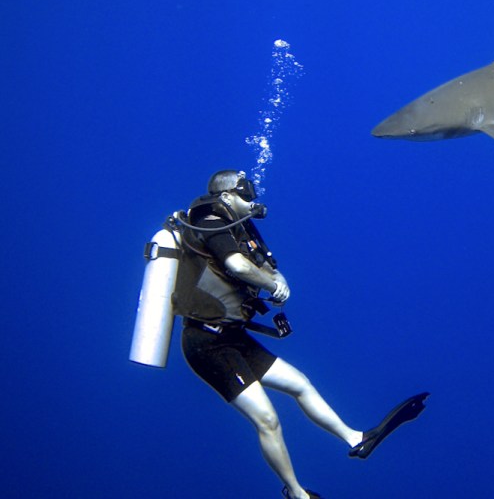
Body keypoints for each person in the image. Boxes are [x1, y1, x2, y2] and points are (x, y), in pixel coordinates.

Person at [172, 170, 428, 499]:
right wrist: (271, 283)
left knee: (300, 383)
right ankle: (295, 493)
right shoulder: (210, 221)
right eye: (245, 193)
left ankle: (356, 439)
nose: (252, 200)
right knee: (267, 418)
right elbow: (236, 266)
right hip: (206, 343)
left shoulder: (239, 229)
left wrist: (278, 279)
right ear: (225, 197)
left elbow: (262, 264)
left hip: (232, 336)